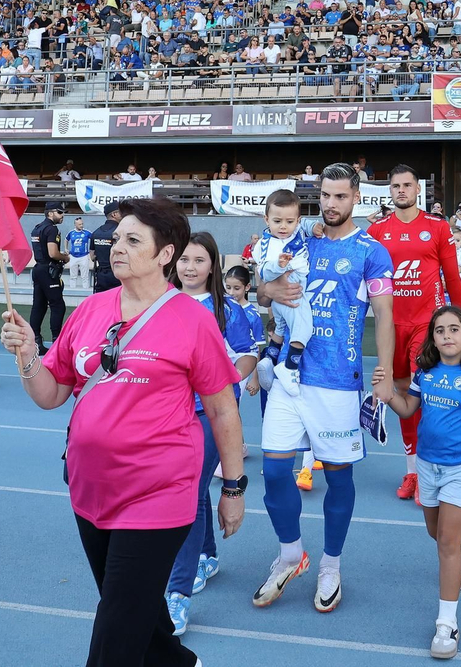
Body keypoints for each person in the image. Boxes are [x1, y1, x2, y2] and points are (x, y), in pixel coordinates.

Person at [0, 197, 245, 666]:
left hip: (158, 492)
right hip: (91, 489)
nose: (117, 247)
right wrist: (28, 355)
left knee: (117, 629)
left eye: (133, 240)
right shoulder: (90, 310)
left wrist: (233, 487)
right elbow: (52, 394)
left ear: (165, 254)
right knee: (137, 612)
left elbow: (222, 410)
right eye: (116, 239)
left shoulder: (193, 319)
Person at [254, 163, 395, 613]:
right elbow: (260, 290)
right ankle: (291, 554)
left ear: (357, 197)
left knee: (338, 478)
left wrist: (386, 371)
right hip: (288, 376)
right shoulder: (301, 237)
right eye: (325, 196)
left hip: (337, 382)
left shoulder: (372, 251)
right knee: (275, 472)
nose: (331, 204)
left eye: (340, 196)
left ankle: (331, 565)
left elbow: (385, 315)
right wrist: (269, 290)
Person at [373, 306, 461, 660]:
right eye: (439, 330)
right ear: (432, 338)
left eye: (454, 329)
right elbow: (407, 409)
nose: (447, 335)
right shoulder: (426, 373)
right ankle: (460, 552)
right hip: (427, 467)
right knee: (437, 534)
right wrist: (388, 393)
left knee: (445, 542)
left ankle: (447, 624)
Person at [166, 233, 259, 636]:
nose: (190, 267)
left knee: (188, 491)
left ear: (212, 266)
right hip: (167, 413)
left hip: (209, 414)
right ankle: (207, 554)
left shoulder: (227, 310)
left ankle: (178, 593)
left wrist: (221, 382)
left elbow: (248, 354)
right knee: (196, 487)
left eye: (199, 260)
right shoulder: (161, 303)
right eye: (184, 259)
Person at [366, 165, 461, 502]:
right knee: (401, 398)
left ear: (417, 189)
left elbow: (452, 278)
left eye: (407, 185)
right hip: (390, 326)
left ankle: (427, 472)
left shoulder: (437, 227)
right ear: (390, 191)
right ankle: (412, 471)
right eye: (396, 186)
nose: (401, 190)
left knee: (420, 394)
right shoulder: (378, 230)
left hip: (426, 325)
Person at [250, 190, 313, 396]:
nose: (283, 226)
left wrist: (314, 226)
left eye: (289, 221)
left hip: (286, 293)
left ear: (297, 220)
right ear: (266, 219)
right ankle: (290, 368)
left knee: (281, 328)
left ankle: (270, 358)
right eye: (277, 221)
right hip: (291, 291)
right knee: (304, 328)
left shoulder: (297, 231)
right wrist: (279, 265)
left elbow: (306, 225)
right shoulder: (265, 244)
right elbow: (264, 272)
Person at [29, 203, 70, 355]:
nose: (62, 215)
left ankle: (35, 342)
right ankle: (57, 342)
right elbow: (53, 253)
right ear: (50, 213)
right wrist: (64, 257)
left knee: (38, 305)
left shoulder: (37, 228)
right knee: (58, 305)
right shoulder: (51, 229)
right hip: (48, 271)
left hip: (38, 269)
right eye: (59, 212)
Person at [89, 201, 121, 294]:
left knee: (101, 301)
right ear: (114, 214)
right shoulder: (119, 232)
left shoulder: (96, 232)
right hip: (117, 275)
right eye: (121, 212)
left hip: (101, 276)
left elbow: (92, 256)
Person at [65, 217, 94, 290]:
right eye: (79, 224)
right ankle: (72, 290)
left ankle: (85, 290)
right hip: (73, 256)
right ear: (75, 224)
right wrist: (66, 248)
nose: (81, 225)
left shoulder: (87, 232)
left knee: (85, 276)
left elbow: (94, 238)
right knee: (73, 276)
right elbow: (66, 239)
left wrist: (92, 249)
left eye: (82, 224)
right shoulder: (71, 233)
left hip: (83, 256)